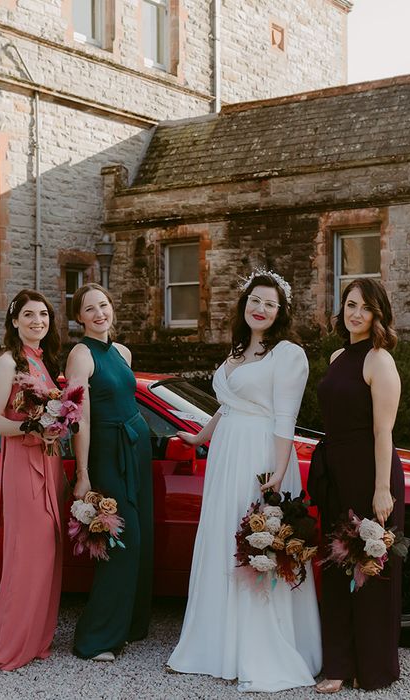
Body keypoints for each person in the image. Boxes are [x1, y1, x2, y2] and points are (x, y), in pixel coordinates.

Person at [167, 271, 321, 692]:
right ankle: (217, 643)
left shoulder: (288, 354)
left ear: (281, 311)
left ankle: (259, 645)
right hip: (226, 457)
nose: (261, 309)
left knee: (256, 539)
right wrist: (201, 436)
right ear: (245, 303)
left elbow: (285, 419)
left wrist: (275, 476)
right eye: (255, 300)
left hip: (260, 454)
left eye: (270, 304)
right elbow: (229, 403)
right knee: (222, 538)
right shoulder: (238, 349)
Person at [314, 278, 405, 693]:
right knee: (335, 569)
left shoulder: (379, 359)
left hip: (371, 473)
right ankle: (338, 666)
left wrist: (382, 489)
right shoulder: (337, 355)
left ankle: (373, 669)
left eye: (364, 308)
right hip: (335, 471)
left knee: (371, 571)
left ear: (377, 314)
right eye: (350, 305)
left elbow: (383, 431)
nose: (355, 314)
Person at [0, 289, 65, 671]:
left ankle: (35, 639)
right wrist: (31, 424)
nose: (37, 322)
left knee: (48, 555)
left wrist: (59, 422)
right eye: (29, 315)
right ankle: (8, 644)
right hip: (23, 464)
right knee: (29, 555)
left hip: (49, 462)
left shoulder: (44, 364)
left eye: (43, 315)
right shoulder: (7, 363)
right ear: (15, 321)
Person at [65, 283, 153, 662]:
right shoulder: (81, 355)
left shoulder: (122, 352)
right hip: (106, 454)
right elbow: (78, 416)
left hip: (136, 451)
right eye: (90, 309)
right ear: (79, 317)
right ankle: (95, 639)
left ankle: (128, 626)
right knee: (121, 542)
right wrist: (83, 473)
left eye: (104, 305)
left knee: (141, 537)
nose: (99, 313)